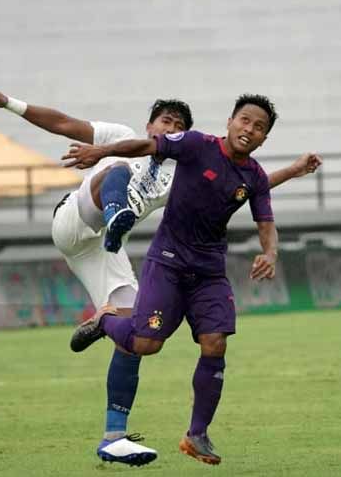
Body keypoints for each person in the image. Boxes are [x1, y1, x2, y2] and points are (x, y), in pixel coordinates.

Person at [0, 90, 321, 466]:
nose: (171, 128)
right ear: (150, 126)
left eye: (178, 125)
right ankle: (114, 210)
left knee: (137, 339)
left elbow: (237, 186)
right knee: (116, 169)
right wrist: (8, 103)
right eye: (165, 121)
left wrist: (292, 171)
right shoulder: (119, 138)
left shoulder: (179, 169)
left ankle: (114, 435)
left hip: (107, 250)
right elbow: (61, 123)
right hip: (74, 222)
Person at [63, 93, 286, 466]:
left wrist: (270, 253)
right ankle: (105, 319)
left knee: (215, 343)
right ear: (230, 121)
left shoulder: (255, 176)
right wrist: (102, 153)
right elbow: (146, 144)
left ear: (264, 138)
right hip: (167, 262)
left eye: (259, 127)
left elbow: (266, 223)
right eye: (245, 121)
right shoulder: (197, 144)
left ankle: (196, 435)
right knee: (146, 344)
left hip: (209, 272)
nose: (250, 130)